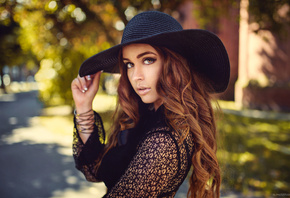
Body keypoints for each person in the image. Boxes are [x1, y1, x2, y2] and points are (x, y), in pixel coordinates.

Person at [71, 11, 230, 198]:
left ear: (173, 64)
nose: (136, 76)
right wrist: (83, 107)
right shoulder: (143, 114)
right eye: (129, 64)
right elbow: (94, 170)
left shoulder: (164, 141)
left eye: (148, 60)